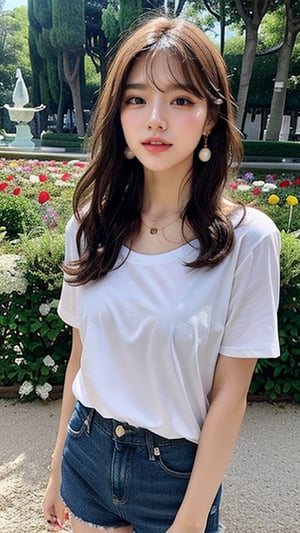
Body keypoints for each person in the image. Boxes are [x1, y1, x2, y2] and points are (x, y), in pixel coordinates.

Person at [43, 15, 280, 533]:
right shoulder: (90, 225)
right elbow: (82, 356)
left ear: (212, 117)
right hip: (87, 448)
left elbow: (230, 395)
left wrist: (191, 521)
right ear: (119, 114)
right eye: (135, 99)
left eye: (180, 100)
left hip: (173, 475)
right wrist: (58, 460)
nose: (155, 119)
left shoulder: (249, 240)